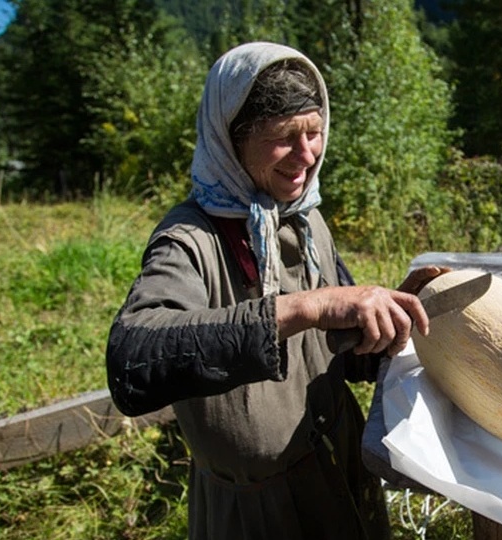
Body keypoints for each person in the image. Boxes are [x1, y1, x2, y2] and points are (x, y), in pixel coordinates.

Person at [105, 41, 449, 539]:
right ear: (232, 139)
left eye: (314, 132)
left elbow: (335, 353)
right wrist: (310, 306)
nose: (307, 155)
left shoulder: (305, 220)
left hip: (339, 472)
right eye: (284, 137)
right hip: (256, 513)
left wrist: (389, 318)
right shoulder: (189, 240)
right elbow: (132, 362)